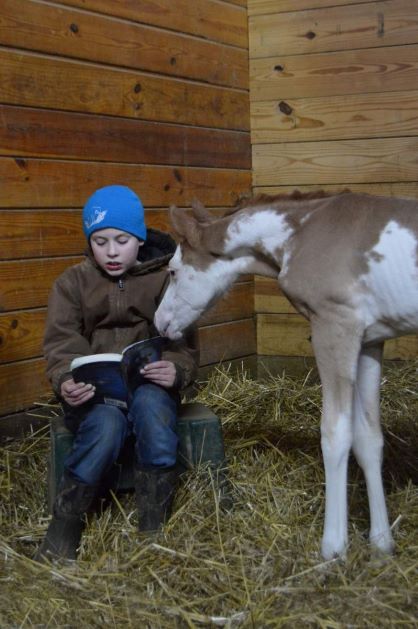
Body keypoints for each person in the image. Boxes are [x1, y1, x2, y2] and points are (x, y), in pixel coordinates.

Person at [36, 184, 199, 562]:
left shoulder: (164, 279)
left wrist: (175, 370)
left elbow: (184, 344)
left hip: (148, 387)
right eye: (100, 240)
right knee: (105, 425)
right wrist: (66, 381)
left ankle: (152, 523)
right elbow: (61, 346)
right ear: (89, 242)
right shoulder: (72, 283)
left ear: (139, 240)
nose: (111, 251)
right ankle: (66, 525)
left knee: (154, 414)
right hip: (97, 395)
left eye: (122, 240)